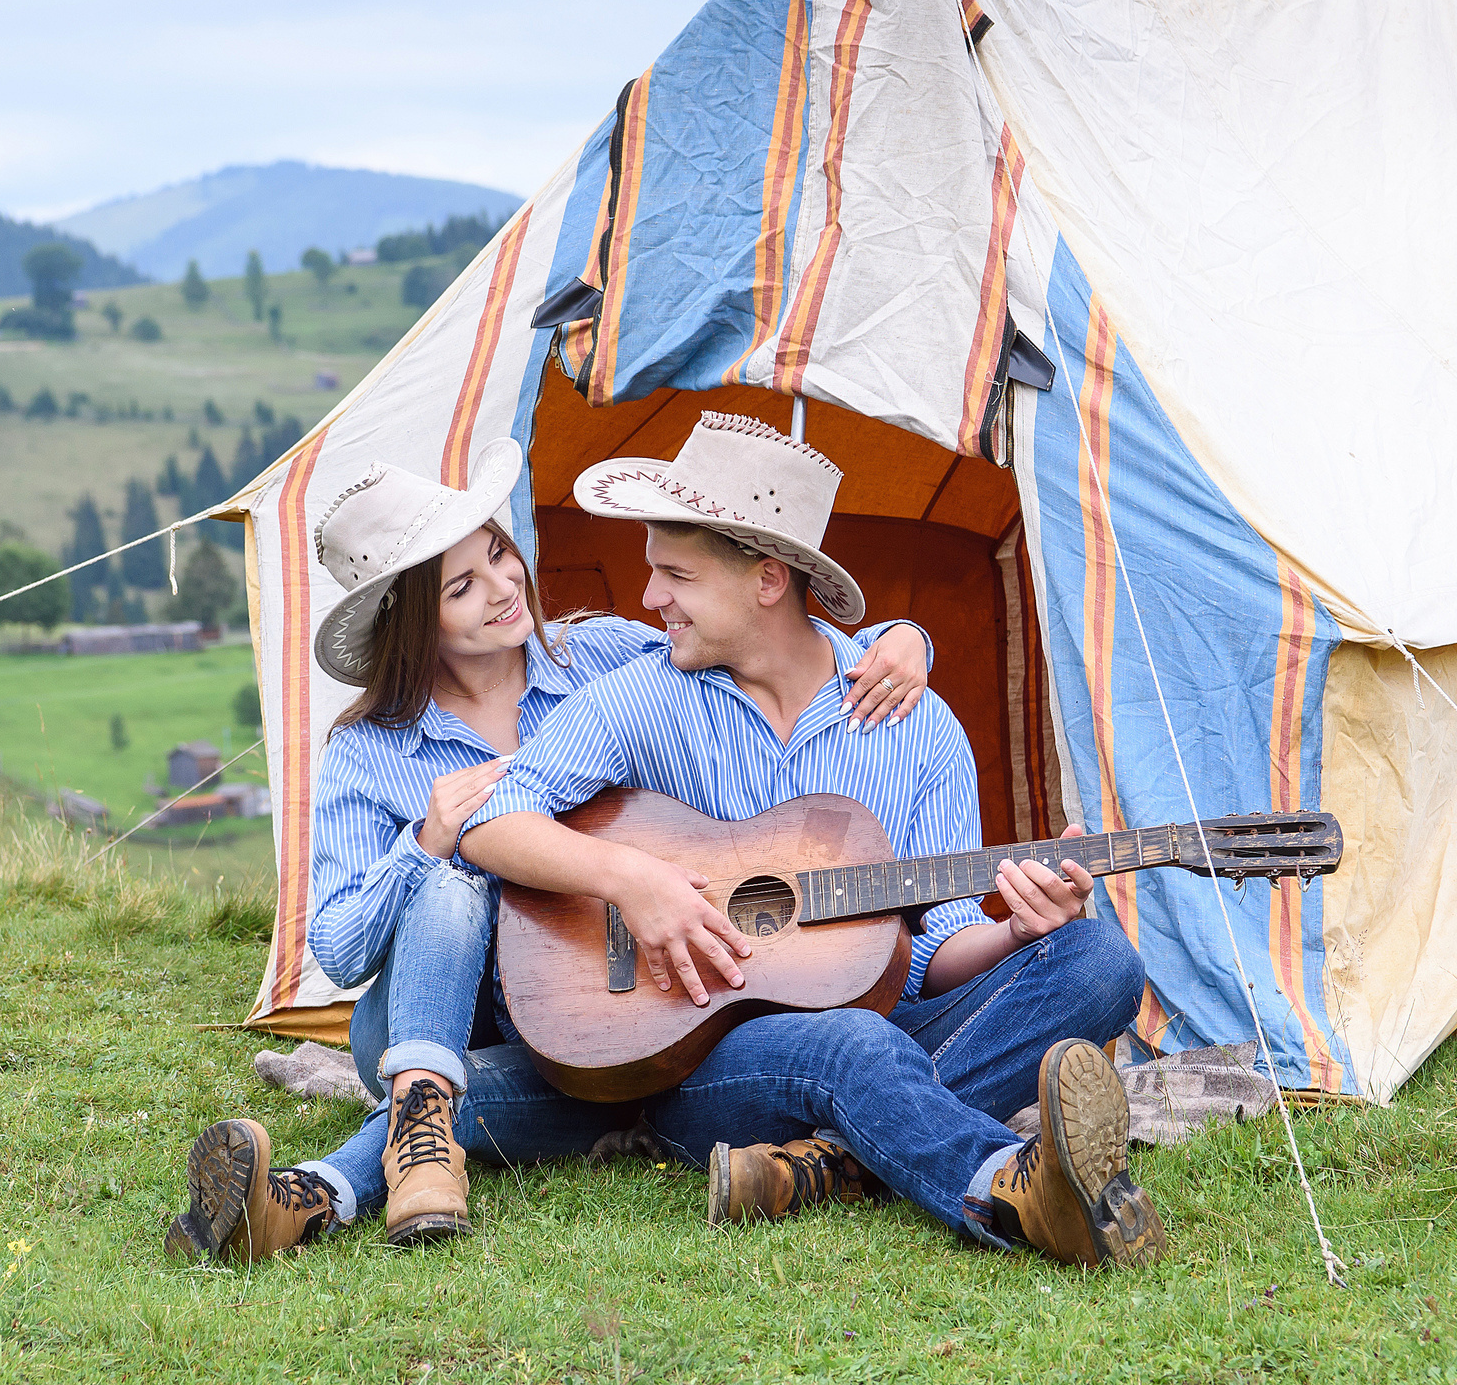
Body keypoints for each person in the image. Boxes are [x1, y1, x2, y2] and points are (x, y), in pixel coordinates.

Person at [163, 438, 934, 1262]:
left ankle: (309, 1198)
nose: (503, 588)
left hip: (576, 1019)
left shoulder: (596, 654)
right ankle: (422, 1133)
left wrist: (902, 636)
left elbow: (736, 629)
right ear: (412, 621)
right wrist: (425, 844)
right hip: (439, 1018)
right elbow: (341, 949)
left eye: (499, 554)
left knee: (611, 1088)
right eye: (462, 587)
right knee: (456, 885)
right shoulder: (369, 750)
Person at [459, 414, 1163, 1268]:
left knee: (1100, 962)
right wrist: (631, 882)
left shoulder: (919, 727)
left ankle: (826, 1166)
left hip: (898, 1016)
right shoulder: (642, 699)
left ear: (765, 581)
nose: (651, 601)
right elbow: (490, 819)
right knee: (855, 1043)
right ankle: (1004, 1187)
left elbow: (933, 949)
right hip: (714, 1056)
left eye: (676, 575)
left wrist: (1018, 930)